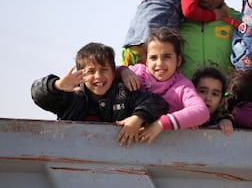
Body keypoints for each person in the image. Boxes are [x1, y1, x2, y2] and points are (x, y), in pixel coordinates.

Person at [31, 42, 169, 148]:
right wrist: (57, 86)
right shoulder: (72, 95)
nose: (98, 76)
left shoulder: (123, 93)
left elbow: (158, 103)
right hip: (74, 156)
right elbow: (38, 95)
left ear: (114, 72)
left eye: (104, 70)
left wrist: (138, 118)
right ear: (80, 74)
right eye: (91, 71)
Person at [119, 27, 210, 144]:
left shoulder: (182, 86)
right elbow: (106, 73)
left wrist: (161, 124)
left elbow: (202, 112)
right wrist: (123, 71)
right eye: (153, 57)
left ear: (178, 61)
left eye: (167, 57)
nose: (159, 63)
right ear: (146, 61)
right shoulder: (137, 73)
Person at [192, 66, 234, 136]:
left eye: (215, 94)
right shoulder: (180, 115)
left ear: (221, 101)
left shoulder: (219, 118)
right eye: (202, 91)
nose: (208, 98)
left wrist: (227, 121)